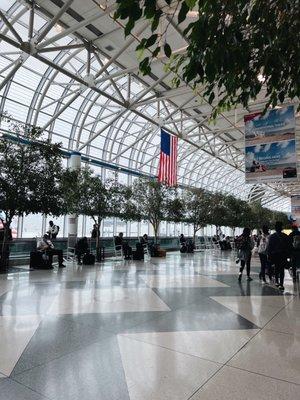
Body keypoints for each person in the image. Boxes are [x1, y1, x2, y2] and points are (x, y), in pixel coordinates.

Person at [267, 221, 291, 291]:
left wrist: (269, 255)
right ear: (281, 228)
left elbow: (269, 247)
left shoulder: (272, 236)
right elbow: (288, 246)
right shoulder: (285, 236)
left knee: (277, 269)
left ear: (275, 228)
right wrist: (288, 255)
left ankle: (277, 282)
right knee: (282, 270)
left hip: (275, 255)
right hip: (283, 255)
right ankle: (281, 284)